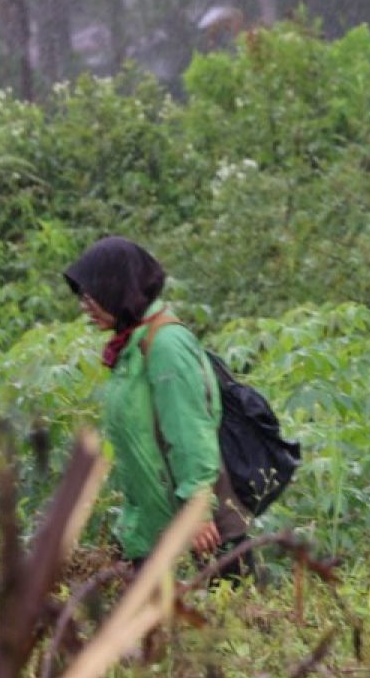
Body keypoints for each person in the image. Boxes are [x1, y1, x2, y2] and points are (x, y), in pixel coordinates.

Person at [63, 236, 253, 574]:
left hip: (200, 533)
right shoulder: (130, 346)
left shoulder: (164, 344)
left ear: (117, 289)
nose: (84, 306)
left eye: (91, 296)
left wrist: (197, 510)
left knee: (230, 623)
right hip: (154, 530)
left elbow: (189, 430)